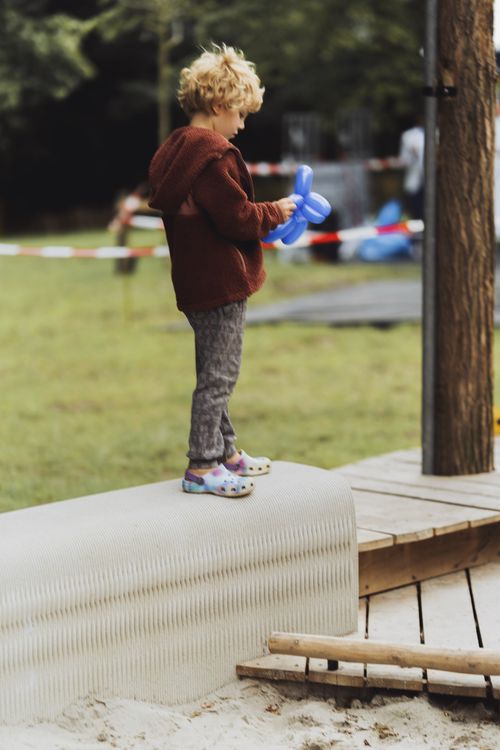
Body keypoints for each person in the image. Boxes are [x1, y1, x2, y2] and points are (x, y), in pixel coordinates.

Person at [148, 43, 295, 498]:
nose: (242, 125)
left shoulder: (174, 151)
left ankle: (226, 451)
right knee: (219, 376)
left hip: (193, 283)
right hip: (222, 282)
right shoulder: (214, 156)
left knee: (215, 369)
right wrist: (278, 210)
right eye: (240, 114)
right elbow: (238, 218)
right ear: (217, 107)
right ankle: (202, 464)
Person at [399, 117, 425, 220]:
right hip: (415, 180)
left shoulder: (435, 133)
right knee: (416, 211)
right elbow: (404, 159)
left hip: (429, 181)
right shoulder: (408, 136)